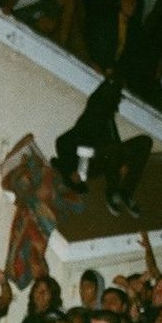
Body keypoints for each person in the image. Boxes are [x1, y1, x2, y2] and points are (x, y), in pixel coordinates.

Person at [53, 75, 152, 218]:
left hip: (108, 158)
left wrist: (123, 162)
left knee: (144, 142)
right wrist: (74, 172)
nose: (115, 108)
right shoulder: (88, 121)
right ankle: (113, 193)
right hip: (90, 165)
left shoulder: (107, 120)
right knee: (110, 150)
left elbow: (116, 144)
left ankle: (126, 193)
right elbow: (67, 147)